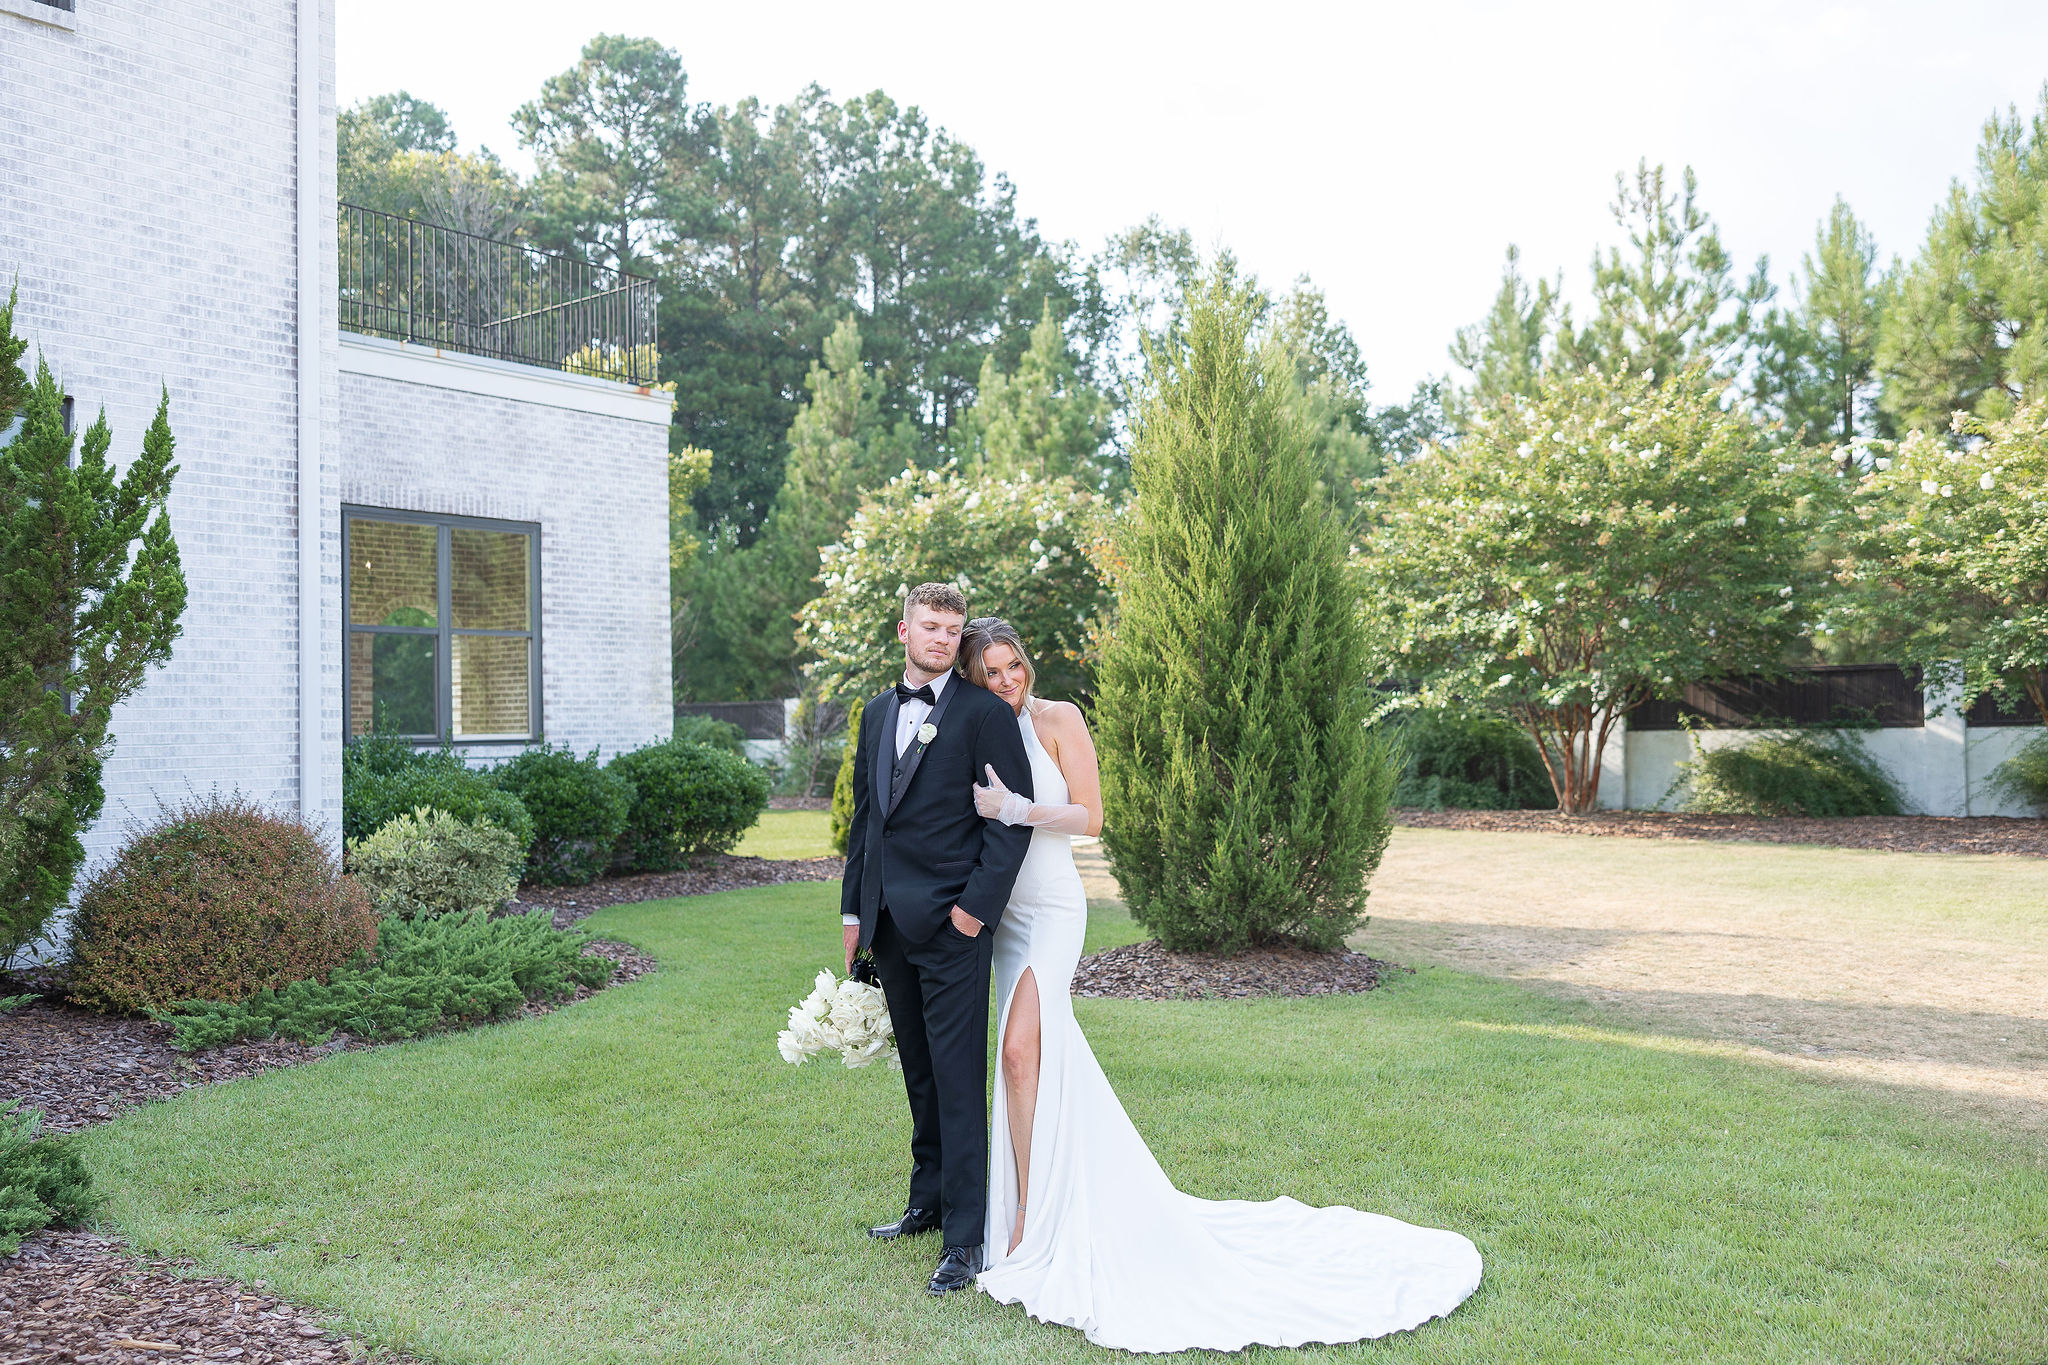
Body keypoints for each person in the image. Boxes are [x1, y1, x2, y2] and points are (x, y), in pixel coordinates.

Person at [959, 616, 1484, 1353]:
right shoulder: (977, 726)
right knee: (1034, 1060)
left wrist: (1017, 809)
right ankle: (1033, 1203)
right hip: (1004, 915)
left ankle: (1023, 1225)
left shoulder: (1057, 718)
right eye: (992, 671)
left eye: (1014, 665)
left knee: (1019, 1052)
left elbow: (1093, 815)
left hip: (1051, 908)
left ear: (1028, 664)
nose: (1008, 679)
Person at [838, 584, 1036, 1295]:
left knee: (957, 1079)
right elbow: (867, 821)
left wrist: (972, 915)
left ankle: (965, 1236)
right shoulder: (876, 712)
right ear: (904, 630)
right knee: (919, 1072)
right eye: (931, 626)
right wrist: (854, 915)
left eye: (953, 629)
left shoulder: (985, 714)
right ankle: (925, 1202)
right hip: (888, 923)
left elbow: (1009, 824)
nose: (943, 638)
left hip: (953, 927)